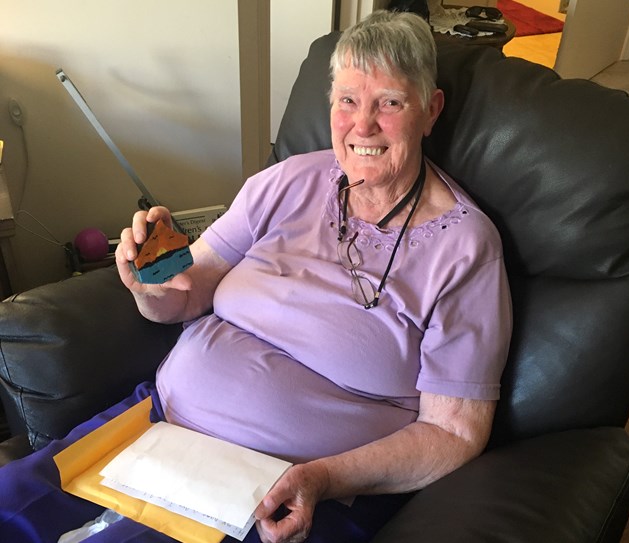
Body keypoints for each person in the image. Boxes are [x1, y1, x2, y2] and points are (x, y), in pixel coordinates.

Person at [0, 9, 511, 543]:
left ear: (430, 111)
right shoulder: (287, 181)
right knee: (11, 507)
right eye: (347, 100)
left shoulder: (465, 248)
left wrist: (324, 477)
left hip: (287, 488)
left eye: (389, 102)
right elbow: (185, 288)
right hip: (158, 422)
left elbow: (453, 432)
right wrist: (148, 282)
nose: (363, 126)